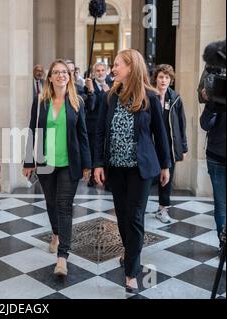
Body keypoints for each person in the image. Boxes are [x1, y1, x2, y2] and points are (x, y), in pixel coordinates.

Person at [93, 49, 171, 293]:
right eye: (114, 65)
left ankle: (131, 273)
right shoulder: (111, 96)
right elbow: (100, 133)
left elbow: (161, 134)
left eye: (117, 65)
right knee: (123, 216)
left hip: (140, 169)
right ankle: (130, 253)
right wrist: (97, 163)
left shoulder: (150, 96)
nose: (113, 69)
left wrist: (166, 164)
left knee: (135, 217)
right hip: (115, 168)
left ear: (131, 67)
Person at [23, 59, 92, 276]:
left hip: (69, 163)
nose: (61, 75)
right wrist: (27, 160)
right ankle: (55, 232)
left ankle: (62, 257)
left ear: (69, 77)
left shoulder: (77, 101)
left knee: (64, 206)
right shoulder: (40, 100)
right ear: (50, 77)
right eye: (56, 72)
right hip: (45, 163)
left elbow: (83, 135)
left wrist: (87, 164)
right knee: (51, 203)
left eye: (65, 72)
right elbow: (32, 130)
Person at [152, 64, 188, 223]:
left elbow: (182, 125)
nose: (163, 80)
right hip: (151, 145)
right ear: (156, 79)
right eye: (161, 77)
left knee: (166, 179)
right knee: (147, 178)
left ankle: (163, 209)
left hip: (169, 146)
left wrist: (184, 147)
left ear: (171, 80)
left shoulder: (175, 98)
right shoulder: (149, 96)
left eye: (167, 77)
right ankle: (138, 208)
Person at [199, 83, 226, 255]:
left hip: (216, 155)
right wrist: (211, 103)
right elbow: (205, 124)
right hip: (217, 157)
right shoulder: (220, 92)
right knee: (221, 204)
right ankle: (223, 243)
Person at [85, 62, 113, 187]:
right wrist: (92, 91)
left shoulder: (112, 85)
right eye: (98, 71)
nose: (100, 73)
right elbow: (90, 107)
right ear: (94, 73)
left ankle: (107, 178)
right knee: (93, 150)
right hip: (92, 125)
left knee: (106, 150)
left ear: (107, 71)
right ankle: (92, 177)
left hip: (107, 125)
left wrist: (108, 93)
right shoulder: (87, 86)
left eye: (103, 70)